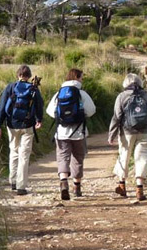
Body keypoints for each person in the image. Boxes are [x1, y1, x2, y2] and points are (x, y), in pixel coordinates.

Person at [46, 68, 96, 200]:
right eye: (81, 77)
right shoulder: (81, 93)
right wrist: (80, 115)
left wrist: (61, 117)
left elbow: (49, 111)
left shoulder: (59, 93)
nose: (82, 80)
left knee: (63, 157)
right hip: (79, 131)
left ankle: (63, 182)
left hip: (62, 132)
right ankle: (77, 187)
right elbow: (92, 110)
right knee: (78, 157)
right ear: (77, 77)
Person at [0, 65, 43, 196]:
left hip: (12, 125)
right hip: (27, 125)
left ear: (18, 75)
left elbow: (2, 106)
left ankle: (13, 181)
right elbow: (39, 104)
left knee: (14, 151)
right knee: (24, 155)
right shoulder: (33, 88)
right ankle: (21, 186)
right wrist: (39, 119)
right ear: (29, 76)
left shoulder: (10, 87)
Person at [108, 73, 147, 201]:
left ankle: (122, 186)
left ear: (125, 83)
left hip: (127, 131)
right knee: (142, 157)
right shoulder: (146, 96)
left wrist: (112, 134)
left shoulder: (122, 96)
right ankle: (139, 189)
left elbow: (116, 117)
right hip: (144, 131)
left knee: (124, 155)